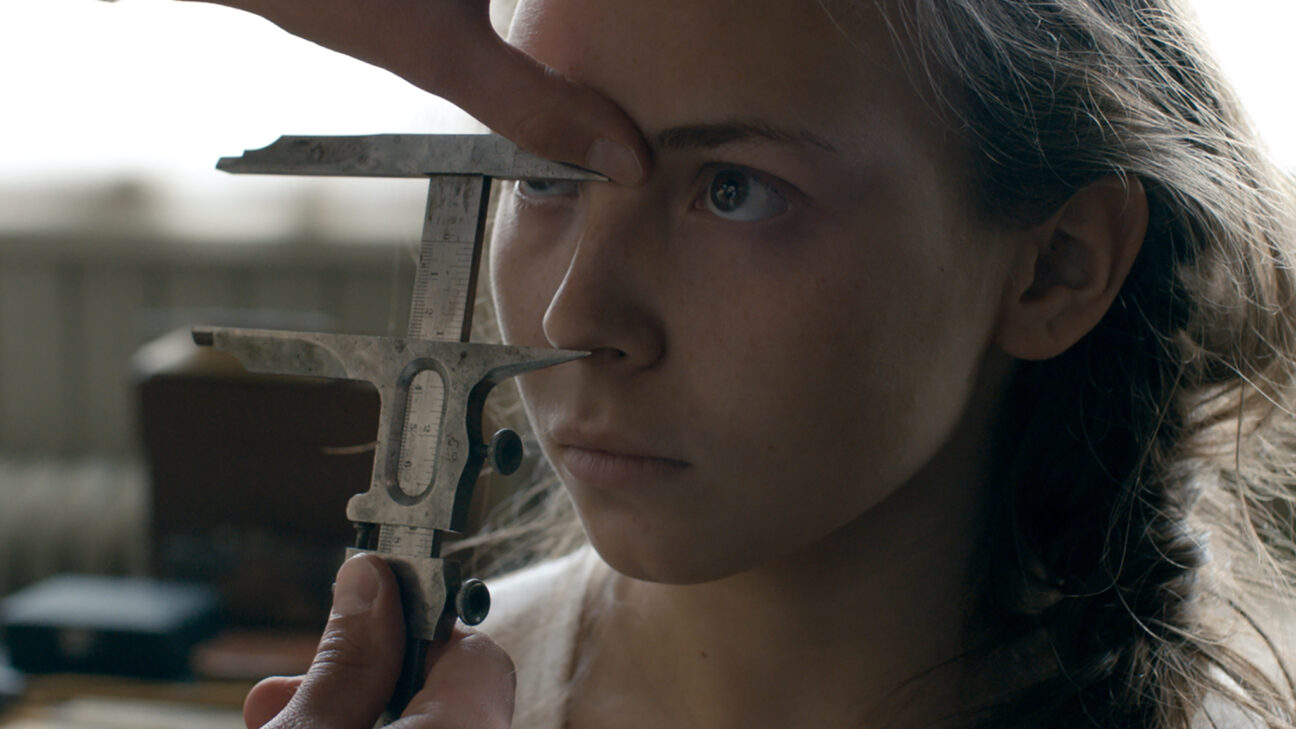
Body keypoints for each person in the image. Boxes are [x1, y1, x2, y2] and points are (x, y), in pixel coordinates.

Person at [190, 0, 1296, 727]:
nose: (576, 317)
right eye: (543, 175)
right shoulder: (430, 701)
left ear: (1056, 266)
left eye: (735, 190)